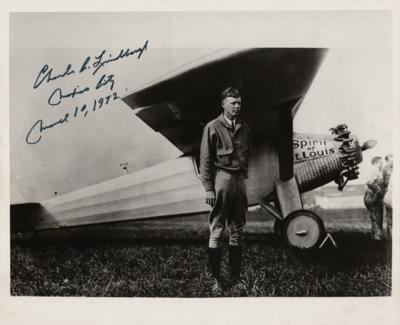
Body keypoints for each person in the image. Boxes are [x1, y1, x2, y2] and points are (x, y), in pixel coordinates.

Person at [199, 87, 251, 294]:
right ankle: (216, 280)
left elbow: (249, 153)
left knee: (237, 229)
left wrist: (243, 177)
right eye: (232, 103)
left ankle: (236, 279)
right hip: (222, 180)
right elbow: (205, 160)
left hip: (240, 181)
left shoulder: (245, 128)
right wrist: (209, 189)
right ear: (223, 104)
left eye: (239, 103)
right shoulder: (212, 127)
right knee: (218, 229)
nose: (237, 106)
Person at [364, 156, 384, 240]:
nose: (382, 165)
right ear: (376, 163)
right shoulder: (374, 170)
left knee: (374, 216)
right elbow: (370, 183)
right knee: (377, 216)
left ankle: (375, 235)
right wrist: (379, 191)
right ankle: (377, 236)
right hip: (373, 196)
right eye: (380, 163)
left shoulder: (373, 170)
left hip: (369, 196)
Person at [382, 154, 393, 238]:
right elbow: (383, 183)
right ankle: (390, 236)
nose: (393, 161)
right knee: (389, 216)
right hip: (388, 193)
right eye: (391, 160)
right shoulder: (385, 169)